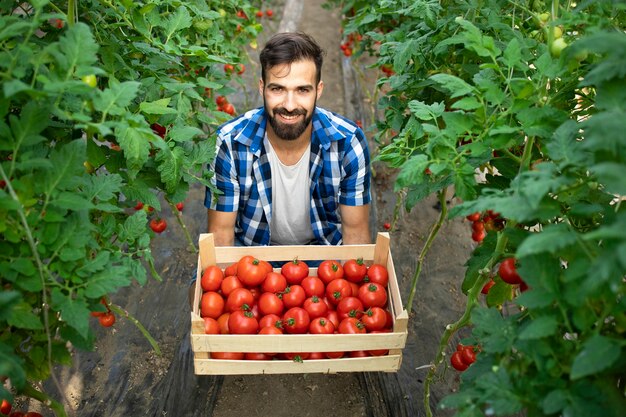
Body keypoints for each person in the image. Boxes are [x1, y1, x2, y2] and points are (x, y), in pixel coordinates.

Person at [205, 31, 372, 248]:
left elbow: (356, 235)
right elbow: (221, 236)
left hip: (323, 258)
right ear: (262, 87)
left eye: (302, 90)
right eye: (278, 89)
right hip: (251, 259)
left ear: (318, 91)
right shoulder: (230, 144)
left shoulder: (348, 144)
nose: (290, 105)